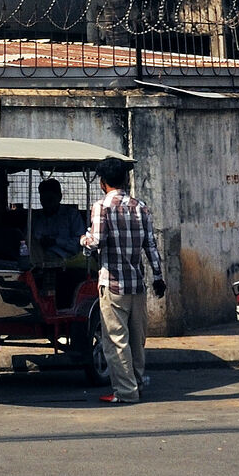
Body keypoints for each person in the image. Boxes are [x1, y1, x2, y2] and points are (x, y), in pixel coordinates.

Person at [81, 156, 165, 404]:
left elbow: (96, 241)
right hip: (137, 284)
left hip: (113, 283)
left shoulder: (101, 206)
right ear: (126, 179)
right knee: (137, 339)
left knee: (116, 340)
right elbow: (151, 245)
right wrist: (158, 277)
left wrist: (83, 240)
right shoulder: (141, 207)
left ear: (102, 182)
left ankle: (126, 392)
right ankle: (137, 384)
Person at [29, 176, 88, 264]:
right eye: (44, 199)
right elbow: (27, 240)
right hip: (38, 260)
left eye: (50, 199)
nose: (47, 204)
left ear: (59, 197)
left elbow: (79, 243)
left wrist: (56, 241)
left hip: (66, 261)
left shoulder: (72, 215)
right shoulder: (36, 217)